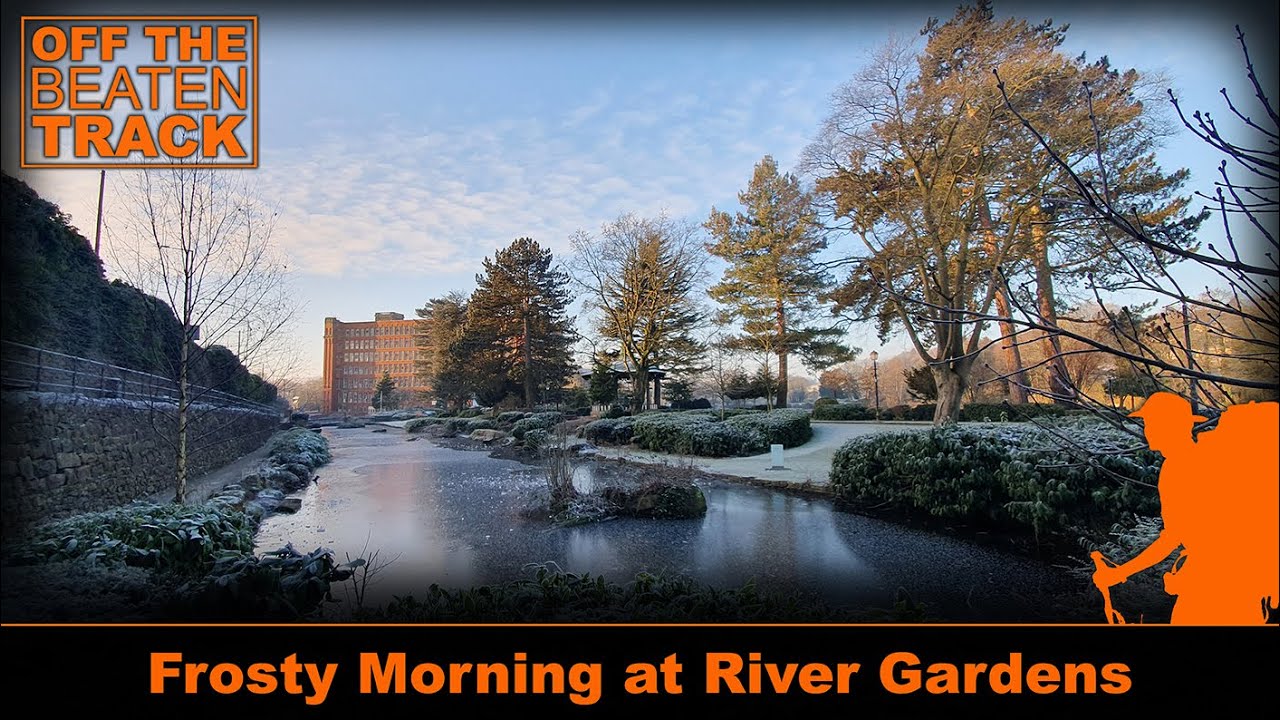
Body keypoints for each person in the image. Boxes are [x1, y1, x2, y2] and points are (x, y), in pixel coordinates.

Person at [1093, 392, 1278, 625]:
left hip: (1215, 585)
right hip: (1237, 581)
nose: (1146, 430)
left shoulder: (1180, 469)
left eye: (1150, 423)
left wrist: (1120, 573)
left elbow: (1172, 537)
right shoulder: (1205, 458)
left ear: (1165, 427)